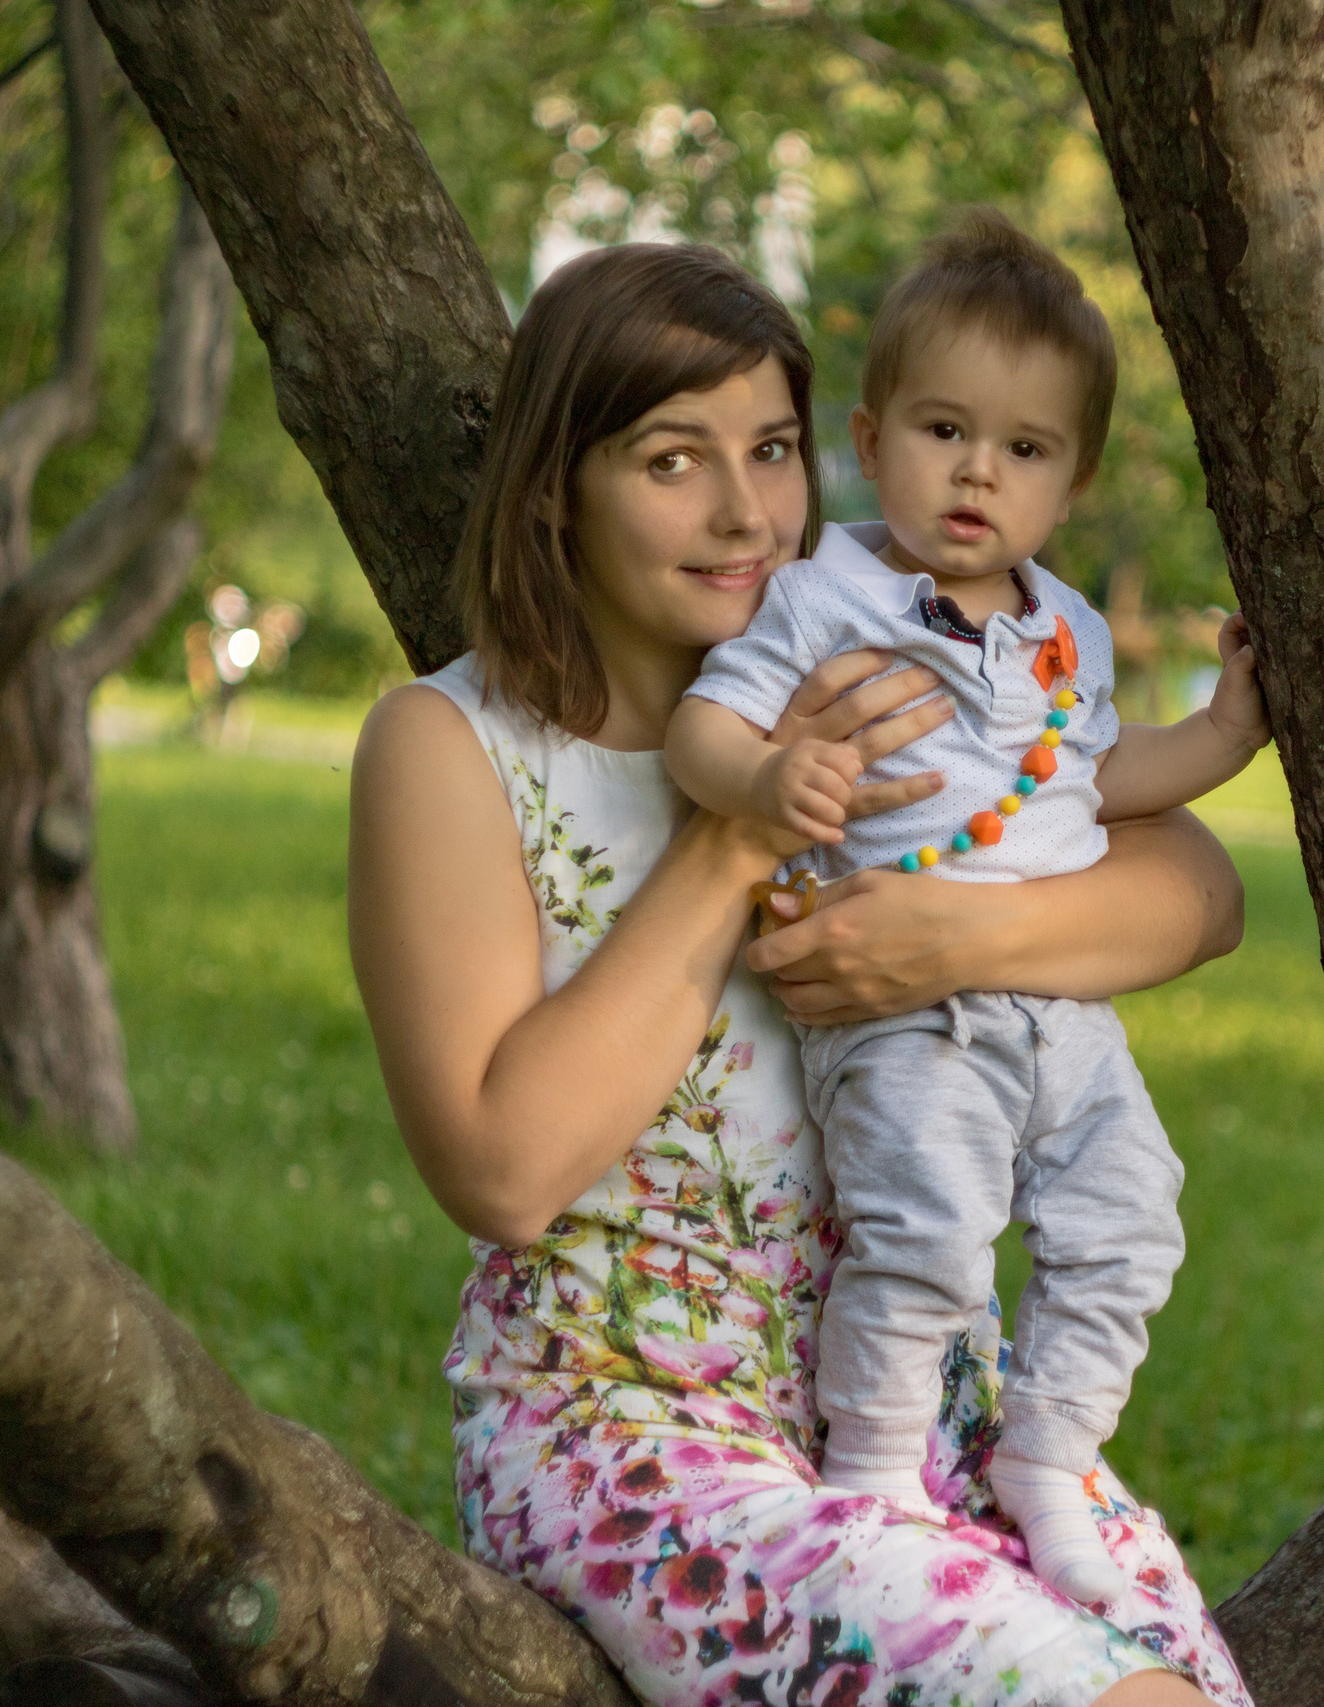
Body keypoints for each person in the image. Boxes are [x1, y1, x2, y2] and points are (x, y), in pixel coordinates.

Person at [348, 238, 1253, 1707]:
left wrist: (950, 939)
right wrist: (730, 838)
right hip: (634, 1439)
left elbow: (1195, 891)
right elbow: (503, 1171)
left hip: (928, 1422)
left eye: (769, 451)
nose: (742, 512)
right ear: (553, 485)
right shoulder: (454, 748)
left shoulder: (889, 638)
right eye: (669, 459)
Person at [665, 212, 1269, 1606]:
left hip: (1063, 1010)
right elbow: (708, 726)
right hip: (909, 1012)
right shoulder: (824, 597)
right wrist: (769, 776)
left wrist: (1228, 735)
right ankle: (873, 1476)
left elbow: (1101, 780)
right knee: (929, 1228)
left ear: (1073, 479)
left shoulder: (1069, 626)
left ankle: (1046, 1460)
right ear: (872, 443)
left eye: (1025, 448)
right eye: (945, 431)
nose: (978, 473)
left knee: (1133, 1221)